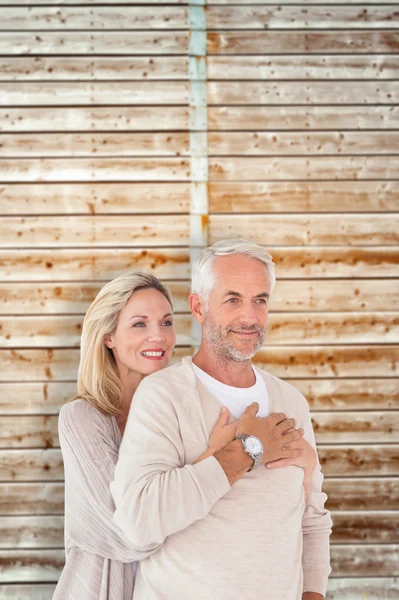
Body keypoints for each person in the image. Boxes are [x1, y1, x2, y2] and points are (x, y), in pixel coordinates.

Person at [111, 239, 332, 600]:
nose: (250, 316)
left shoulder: (290, 402)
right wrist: (246, 450)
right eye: (233, 300)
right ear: (198, 308)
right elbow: (138, 523)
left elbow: (311, 519)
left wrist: (313, 594)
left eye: (260, 300)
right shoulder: (163, 395)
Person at [53, 271, 240, 600]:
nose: (158, 337)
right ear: (108, 336)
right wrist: (213, 462)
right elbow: (131, 535)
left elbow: (214, 527)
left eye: (166, 323)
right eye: (139, 324)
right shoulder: (82, 418)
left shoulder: (184, 412)